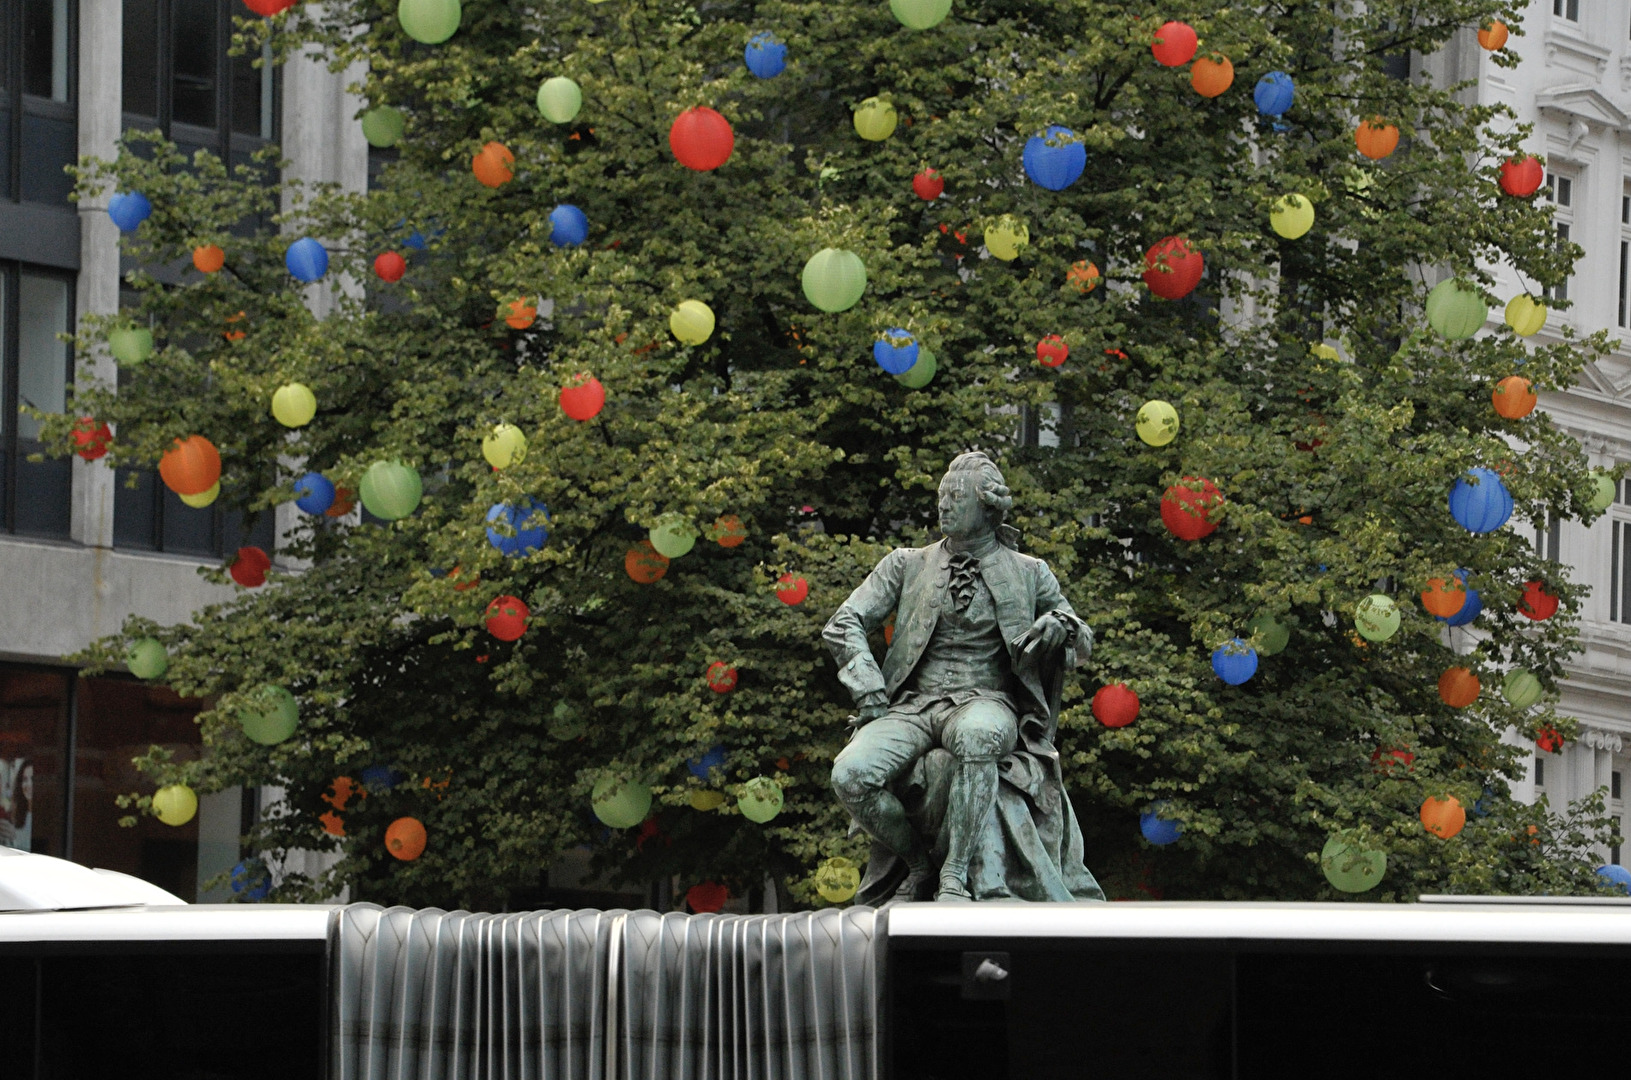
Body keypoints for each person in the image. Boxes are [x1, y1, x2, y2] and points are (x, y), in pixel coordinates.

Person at [824, 451, 1104, 903]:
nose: (944, 505)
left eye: (956, 497)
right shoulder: (905, 564)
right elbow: (844, 621)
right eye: (941, 496)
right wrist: (869, 686)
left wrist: (1061, 626)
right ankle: (918, 864)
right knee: (850, 775)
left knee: (978, 737)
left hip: (986, 701)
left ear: (988, 506)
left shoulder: (1030, 571)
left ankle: (955, 874)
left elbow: (1082, 638)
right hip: (911, 705)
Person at [0, 758, 33, 851]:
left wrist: (14, 836)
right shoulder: (17, 813)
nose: (28, 784)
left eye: (32, 779)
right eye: (25, 779)